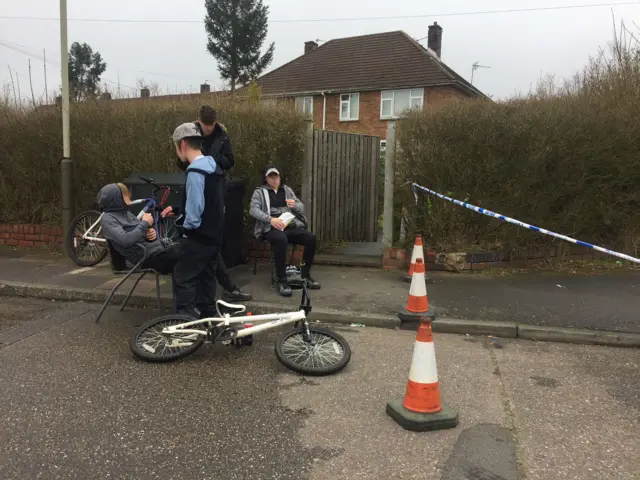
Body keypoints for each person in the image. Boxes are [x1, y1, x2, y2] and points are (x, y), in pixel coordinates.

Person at [192, 104, 251, 302]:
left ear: (215, 122)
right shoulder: (191, 133)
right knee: (206, 240)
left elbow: (229, 161)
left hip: (216, 185)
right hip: (197, 183)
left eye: (211, 125)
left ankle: (220, 287)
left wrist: (212, 160)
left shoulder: (222, 136)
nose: (208, 129)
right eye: (205, 124)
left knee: (212, 239)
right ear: (199, 120)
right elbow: (182, 160)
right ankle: (221, 287)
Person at [167, 122, 226, 316]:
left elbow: (195, 212)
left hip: (198, 238)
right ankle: (209, 321)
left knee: (183, 278)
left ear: (182, 144)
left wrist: (185, 232)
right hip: (214, 237)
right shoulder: (213, 167)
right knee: (206, 283)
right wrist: (178, 209)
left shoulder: (194, 171)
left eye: (176, 147)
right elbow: (211, 202)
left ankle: (184, 328)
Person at [250, 164, 321, 297]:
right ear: (266, 179)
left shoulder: (287, 190)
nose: (274, 179)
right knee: (281, 239)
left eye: (276, 176)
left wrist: (295, 206)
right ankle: (282, 280)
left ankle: (305, 275)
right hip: (270, 228)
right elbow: (253, 210)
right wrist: (271, 219)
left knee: (310, 238)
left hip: (289, 225)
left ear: (280, 177)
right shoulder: (259, 192)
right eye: (270, 177)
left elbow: (301, 207)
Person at [98, 183, 180, 273]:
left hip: (157, 250)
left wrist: (149, 233)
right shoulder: (108, 218)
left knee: (190, 252)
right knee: (188, 260)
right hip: (147, 258)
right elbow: (125, 240)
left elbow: (138, 230)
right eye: (124, 194)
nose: (128, 197)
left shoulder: (126, 213)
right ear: (115, 198)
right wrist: (145, 223)